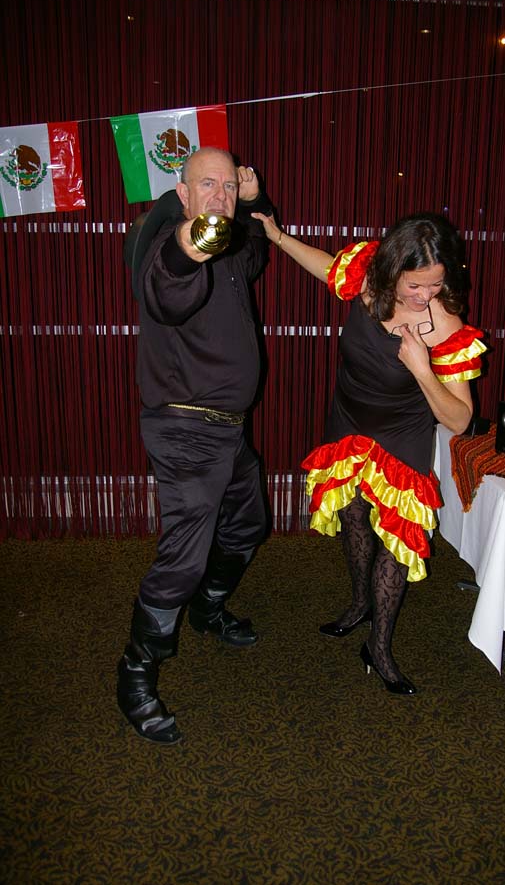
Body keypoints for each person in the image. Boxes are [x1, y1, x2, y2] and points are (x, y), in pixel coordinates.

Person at [252, 210, 487, 694]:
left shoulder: (444, 325)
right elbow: (324, 266)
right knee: (354, 515)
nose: (426, 296)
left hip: (402, 434)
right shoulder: (365, 278)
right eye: (415, 285)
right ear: (391, 269)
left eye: (436, 284)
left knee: (396, 542)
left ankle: (379, 647)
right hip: (350, 418)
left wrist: (422, 369)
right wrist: (277, 237)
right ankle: (360, 603)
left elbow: (460, 420)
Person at [117, 148, 274, 744]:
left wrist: (258, 203)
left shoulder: (232, 244)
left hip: (227, 431)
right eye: (208, 185)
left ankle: (208, 608)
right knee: (182, 559)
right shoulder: (172, 245)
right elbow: (167, 290)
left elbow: (256, 252)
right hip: (185, 431)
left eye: (229, 186)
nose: (220, 197)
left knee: (248, 524)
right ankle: (136, 672)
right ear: (182, 195)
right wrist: (189, 247)